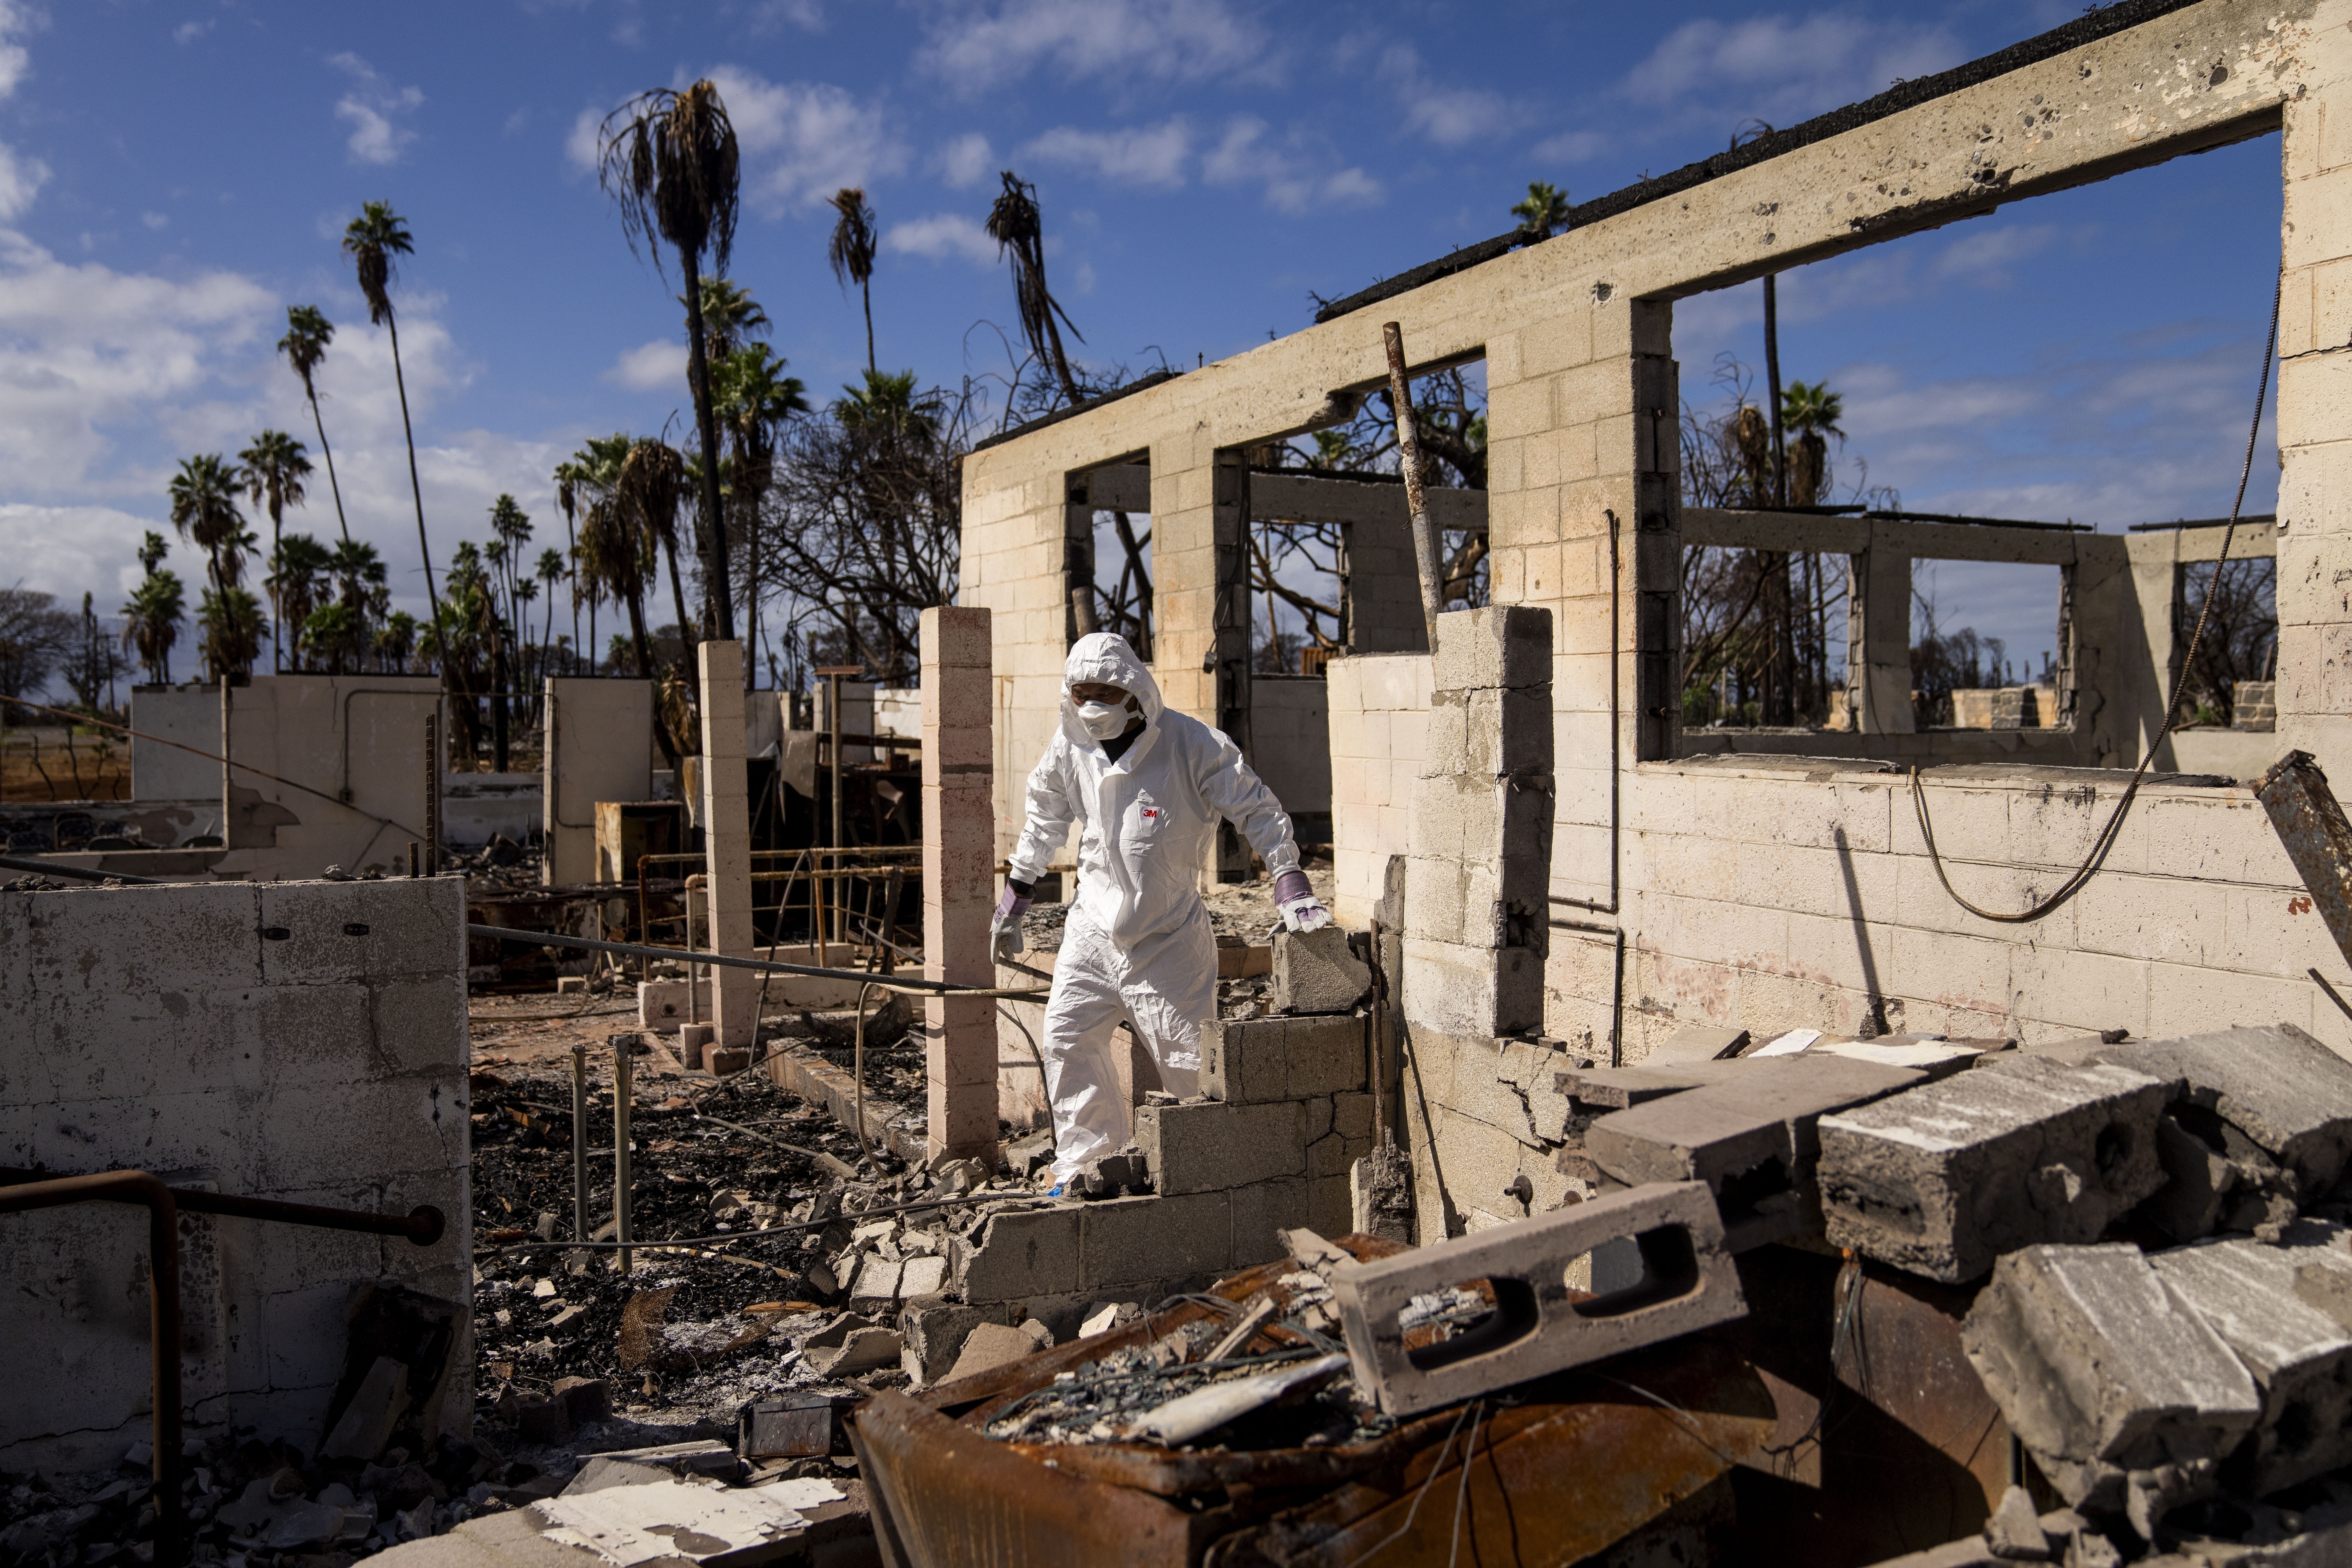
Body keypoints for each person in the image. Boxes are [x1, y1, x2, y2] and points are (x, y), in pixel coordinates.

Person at [994, 632, 1332, 1193]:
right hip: (1092, 932)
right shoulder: (1069, 743)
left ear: (1133, 689)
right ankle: (1086, 1164)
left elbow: (1258, 809)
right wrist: (1016, 897)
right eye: (1081, 693)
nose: (1092, 704)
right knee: (1065, 1038)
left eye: (1105, 690)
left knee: (1188, 1063)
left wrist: (1289, 880)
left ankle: (1207, 1177)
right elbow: (1044, 817)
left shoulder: (1190, 743)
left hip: (1167, 939)